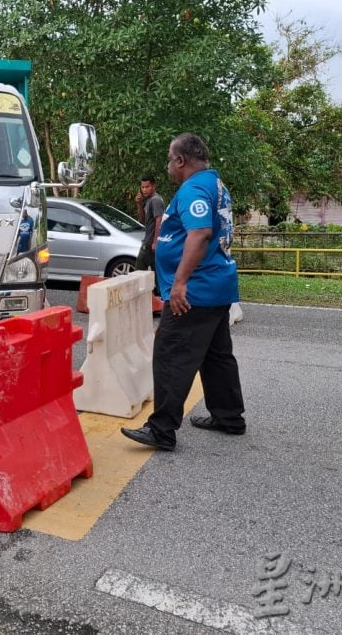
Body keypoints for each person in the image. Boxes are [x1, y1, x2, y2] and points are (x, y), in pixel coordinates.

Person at [121, 133, 245, 451]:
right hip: (216, 285)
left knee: (170, 353)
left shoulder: (194, 188)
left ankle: (161, 429)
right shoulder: (213, 183)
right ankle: (229, 416)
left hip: (197, 289)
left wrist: (179, 283)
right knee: (217, 356)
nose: (167, 166)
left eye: (169, 159)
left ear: (180, 160)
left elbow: (200, 233)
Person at [135, 174, 165, 290]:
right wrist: (139, 204)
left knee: (138, 272)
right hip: (148, 243)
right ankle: (158, 297)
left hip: (150, 245)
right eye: (142, 187)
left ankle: (145, 294)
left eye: (147, 187)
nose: (144, 190)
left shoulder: (156, 200)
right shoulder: (148, 201)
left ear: (154, 186)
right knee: (156, 273)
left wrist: (155, 241)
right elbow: (143, 219)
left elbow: (159, 220)